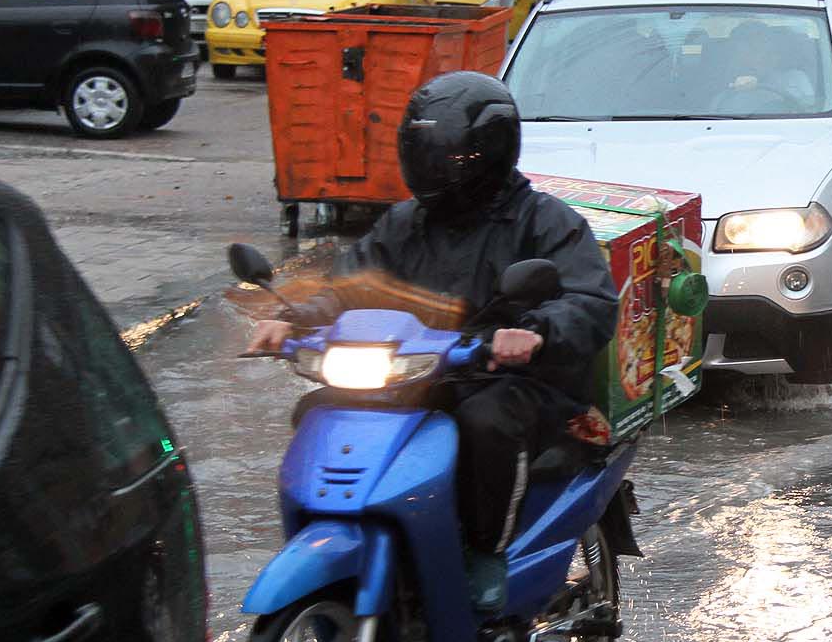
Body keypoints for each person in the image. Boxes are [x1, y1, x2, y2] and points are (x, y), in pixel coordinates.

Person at [244, 72, 619, 609]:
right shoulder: (402, 224)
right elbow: (351, 287)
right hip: (418, 374)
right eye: (422, 153)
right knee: (319, 409)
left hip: (514, 379)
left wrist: (534, 331)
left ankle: (484, 549)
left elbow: (590, 301)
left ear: (487, 153)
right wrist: (296, 319)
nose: (430, 168)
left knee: (483, 423)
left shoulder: (545, 221)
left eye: (445, 157)